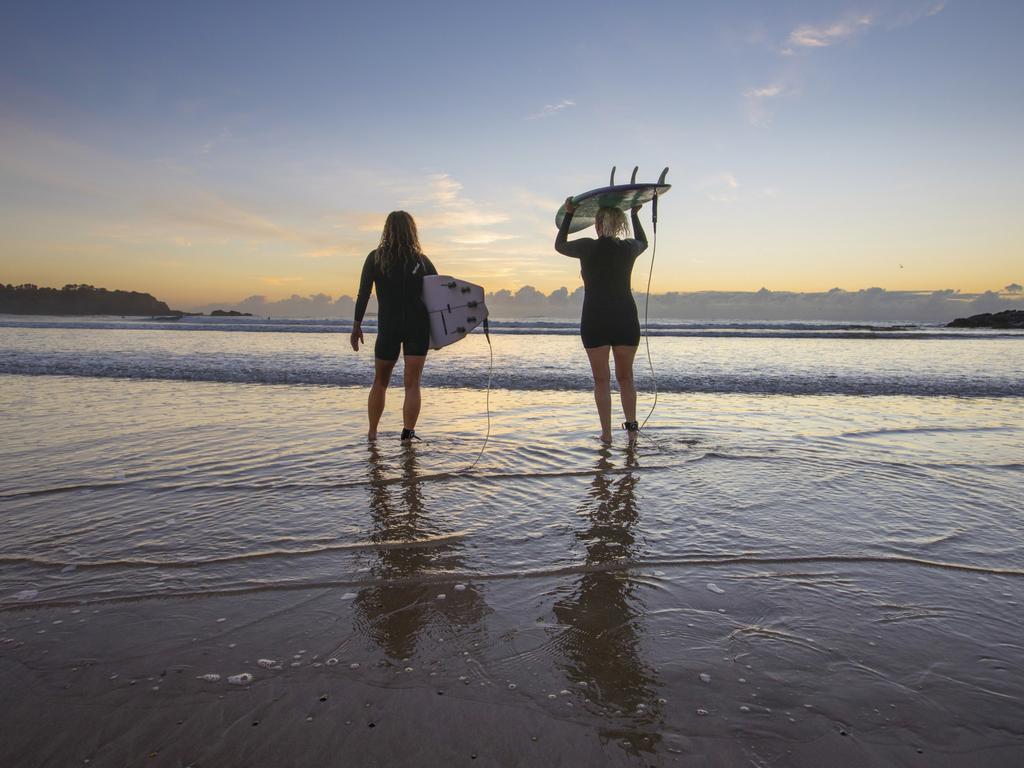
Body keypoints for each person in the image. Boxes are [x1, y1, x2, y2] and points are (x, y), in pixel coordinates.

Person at [555, 200, 647, 443]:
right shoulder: (628, 247)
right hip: (625, 318)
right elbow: (644, 242)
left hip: (595, 318)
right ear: (620, 225)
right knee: (626, 379)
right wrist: (636, 215)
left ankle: (606, 435)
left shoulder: (587, 247)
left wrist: (570, 214)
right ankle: (632, 433)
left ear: (597, 224)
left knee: (601, 380)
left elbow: (560, 245)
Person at [351, 211, 438, 442]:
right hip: (417, 327)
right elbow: (439, 295)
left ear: (387, 230)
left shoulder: (375, 258)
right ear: (412, 231)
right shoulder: (422, 261)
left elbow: (363, 294)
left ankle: (372, 433)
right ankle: (408, 434)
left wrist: (356, 325)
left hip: (388, 326)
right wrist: (441, 332)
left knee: (380, 381)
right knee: (412, 384)